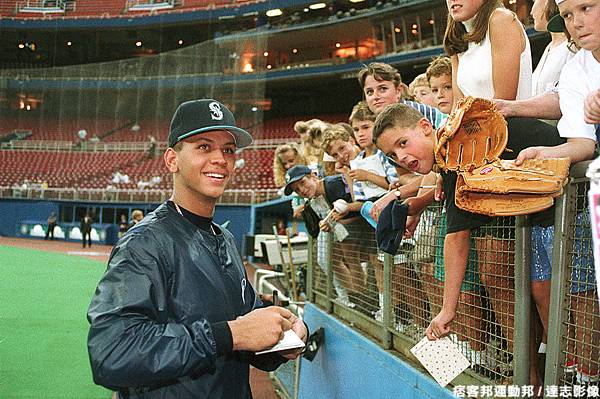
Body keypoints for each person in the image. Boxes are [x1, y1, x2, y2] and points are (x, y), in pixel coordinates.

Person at [87, 99, 307, 398]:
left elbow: (246, 339)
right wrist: (231, 334)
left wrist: (282, 335)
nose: (221, 159)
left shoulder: (225, 239)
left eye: (228, 150)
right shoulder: (145, 242)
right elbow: (112, 353)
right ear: (171, 160)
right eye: (204, 146)